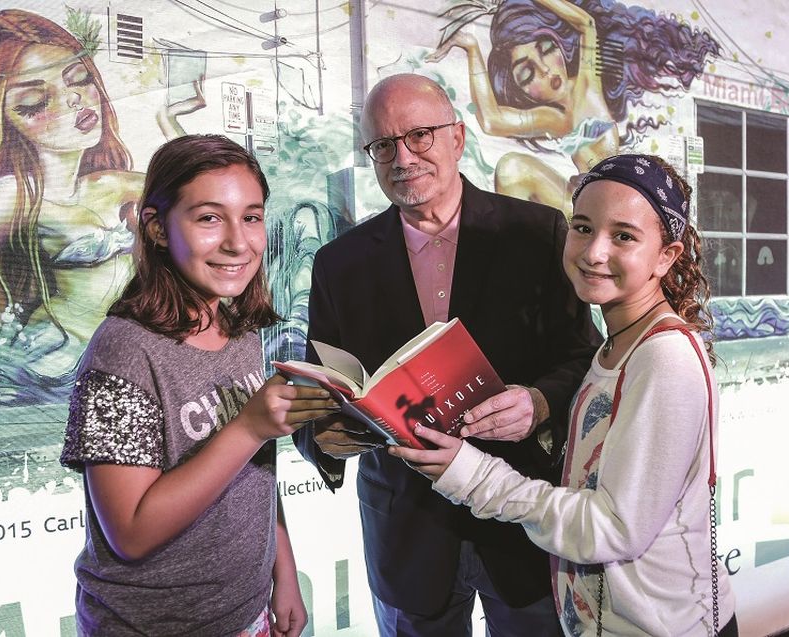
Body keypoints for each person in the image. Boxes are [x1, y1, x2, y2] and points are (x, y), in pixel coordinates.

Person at [293, 73, 599, 636]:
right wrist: (325, 439)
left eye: (419, 136)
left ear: (458, 137)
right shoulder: (340, 263)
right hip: (407, 535)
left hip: (521, 514)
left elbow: (584, 358)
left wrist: (538, 402)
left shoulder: (537, 235)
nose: (402, 156)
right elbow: (319, 393)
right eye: (383, 144)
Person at [391, 153, 738, 636]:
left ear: (667, 256)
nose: (594, 251)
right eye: (582, 227)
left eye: (624, 236)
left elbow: (612, 528)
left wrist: (469, 474)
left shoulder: (664, 358)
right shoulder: (618, 344)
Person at [59, 134, 336, 636]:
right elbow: (132, 534)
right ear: (157, 227)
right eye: (209, 217)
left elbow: (255, 476)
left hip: (244, 612)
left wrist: (284, 571)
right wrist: (249, 428)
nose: (237, 241)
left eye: (251, 217)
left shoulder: (241, 332)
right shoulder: (124, 351)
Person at [0, 9, 205, 388]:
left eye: (79, 78)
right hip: (53, 361)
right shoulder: (14, 194)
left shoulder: (111, 183)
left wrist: (166, 116)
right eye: (34, 101)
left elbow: (194, 194)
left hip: (119, 357)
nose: (74, 99)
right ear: (5, 119)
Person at [427, 0, 719, 214]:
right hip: (581, 203)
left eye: (546, 49)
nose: (544, 70)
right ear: (522, 90)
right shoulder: (551, 119)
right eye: (527, 73)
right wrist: (471, 48)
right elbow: (492, 120)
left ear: (559, 45)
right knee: (511, 168)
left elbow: (586, 24)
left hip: (611, 205)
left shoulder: (586, 85)